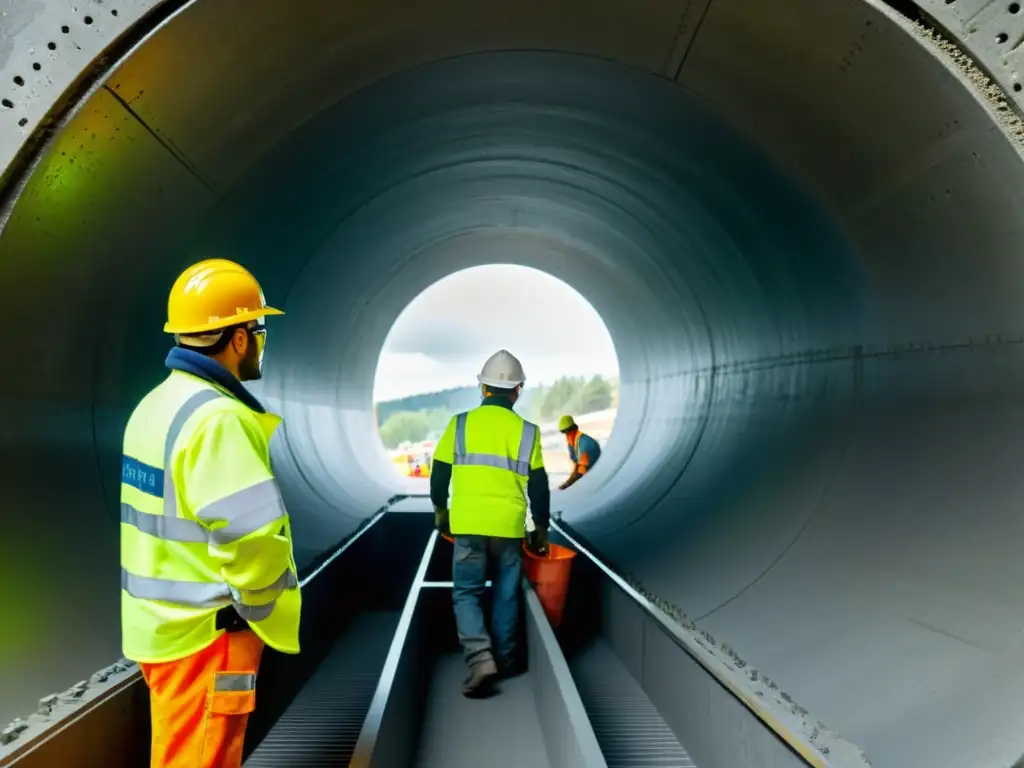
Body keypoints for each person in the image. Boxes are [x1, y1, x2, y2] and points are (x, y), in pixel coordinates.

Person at [120, 259, 302, 768]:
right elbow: (253, 536)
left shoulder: (154, 407)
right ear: (239, 338)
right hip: (210, 635)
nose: (262, 342)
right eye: (260, 329)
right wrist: (263, 607)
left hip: (161, 629)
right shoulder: (219, 418)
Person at [429, 349, 551, 697]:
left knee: (466, 593)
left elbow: (439, 473)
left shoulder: (460, 423)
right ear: (518, 390)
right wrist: (540, 528)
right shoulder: (529, 431)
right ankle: (507, 661)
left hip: (467, 524)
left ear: (482, 388)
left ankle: (481, 660)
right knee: (506, 593)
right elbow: (539, 485)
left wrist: (441, 510)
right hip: (509, 528)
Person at [557, 414, 602, 490]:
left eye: (568, 432)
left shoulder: (585, 443)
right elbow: (576, 466)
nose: (567, 436)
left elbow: (581, 470)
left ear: (573, 429)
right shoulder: (573, 443)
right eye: (564, 433)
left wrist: (568, 484)